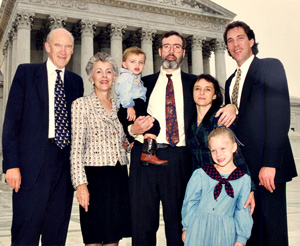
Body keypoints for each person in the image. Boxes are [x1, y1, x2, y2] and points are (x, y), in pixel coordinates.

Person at [128, 31, 236, 246]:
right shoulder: (141, 83)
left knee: (177, 222)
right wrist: (132, 129)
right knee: (142, 223)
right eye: (166, 46)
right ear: (159, 51)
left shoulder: (194, 84)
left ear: (184, 53)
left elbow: (213, 103)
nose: (171, 51)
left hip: (178, 157)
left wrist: (232, 106)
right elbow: (126, 116)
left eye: (177, 47)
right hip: (144, 155)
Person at [2, 28, 84, 245]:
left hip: (63, 166)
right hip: (31, 165)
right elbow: (11, 122)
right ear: (48, 47)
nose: (63, 51)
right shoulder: (26, 73)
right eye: (58, 45)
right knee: (25, 231)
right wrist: (11, 165)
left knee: (56, 233)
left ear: (73, 50)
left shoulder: (76, 82)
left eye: (68, 47)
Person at [221, 20, 297, 246]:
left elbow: (279, 114)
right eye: (230, 41)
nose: (235, 44)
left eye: (240, 38)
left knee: (272, 234)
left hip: (267, 167)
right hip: (244, 172)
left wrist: (270, 163)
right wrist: (232, 107)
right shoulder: (229, 82)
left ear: (251, 41)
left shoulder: (270, 66)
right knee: (250, 233)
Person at [70, 52, 131, 246]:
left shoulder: (120, 107)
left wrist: (129, 143)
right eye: (99, 72)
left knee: (113, 239)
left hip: (118, 176)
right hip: (94, 179)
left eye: (108, 72)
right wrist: (81, 185)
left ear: (114, 77)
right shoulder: (81, 105)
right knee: (94, 239)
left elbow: (123, 142)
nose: (104, 76)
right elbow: (76, 149)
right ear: (91, 77)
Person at [188, 74, 255, 208]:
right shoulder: (190, 121)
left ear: (214, 95)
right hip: (200, 185)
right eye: (197, 89)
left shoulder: (221, 118)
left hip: (223, 184)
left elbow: (237, 155)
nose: (201, 92)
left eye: (207, 89)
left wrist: (249, 189)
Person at [182, 127, 253, 246]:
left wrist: (241, 238)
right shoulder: (201, 174)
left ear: (234, 147)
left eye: (223, 148)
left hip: (225, 233)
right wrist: (186, 227)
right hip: (198, 229)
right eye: (213, 150)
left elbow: (242, 210)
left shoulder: (243, 179)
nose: (218, 154)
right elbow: (190, 202)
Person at [115, 46, 168, 166]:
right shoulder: (126, 76)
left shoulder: (136, 78)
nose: (137, 65)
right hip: (131, 105)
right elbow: (123, 92)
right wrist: (129, 106)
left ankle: (142, 148)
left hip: (135, 105)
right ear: (124, 64)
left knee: (148, 125)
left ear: (144, 65)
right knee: (153, 124)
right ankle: (148, 153)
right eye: (132, 61)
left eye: (140, 62)